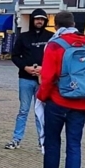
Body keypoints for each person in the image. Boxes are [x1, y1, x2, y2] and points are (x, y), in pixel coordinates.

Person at [22, 10, 85, 168]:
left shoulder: (55, 44)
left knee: (52, 142)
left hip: (59, 99)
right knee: (74, 145)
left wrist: (41, 96)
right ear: (74, 23)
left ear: (55, 25)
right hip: (83, 100)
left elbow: (48, 77)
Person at [5, 8, 53, 151]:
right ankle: (16, 139)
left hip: (43, 80)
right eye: (37, 19)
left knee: (41, 111)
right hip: (25, 78)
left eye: (42, 19)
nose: (39, 21)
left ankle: (43, 141)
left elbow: (55, 58)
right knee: (23, 110)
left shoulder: (51, 37)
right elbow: (15, 56)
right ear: (32, 20)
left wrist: (44, 69)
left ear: (45, 21)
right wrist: (25, 67)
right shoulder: (23, 37)